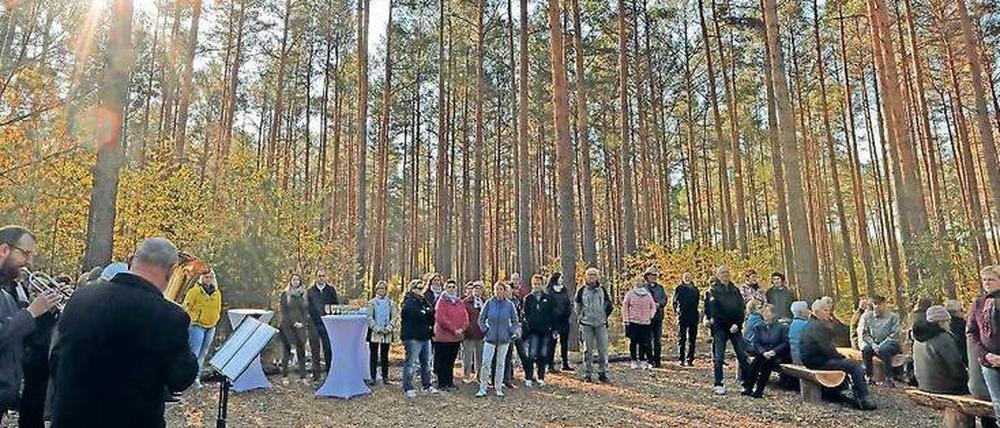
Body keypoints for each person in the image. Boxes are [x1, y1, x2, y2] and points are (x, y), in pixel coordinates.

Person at [51, 237, 198, 427]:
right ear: (171, 270)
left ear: (132, 260)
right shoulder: (170, 316)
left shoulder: (81, 297)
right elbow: (180, 378)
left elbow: (55, 358)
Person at [0, 226, 59, 425]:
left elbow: (20, 339)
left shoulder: (7, 295)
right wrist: (31, 312)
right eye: (25, 253)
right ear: (4, 250)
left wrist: (45, 316)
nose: (29, 262)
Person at [800, 298, 876, 410]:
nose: (828, 313)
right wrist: (841, 357)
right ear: (817, 312)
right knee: (854, 366)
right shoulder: (817, 326)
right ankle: (863, 398)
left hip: (812, 359)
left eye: (828, 310)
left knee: (847, 363)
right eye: (825, 310)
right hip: (817, 362)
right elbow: (827, 349)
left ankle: (843, 392)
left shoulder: (812, 323)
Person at [704, 265, 749, 395]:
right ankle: (718, 383)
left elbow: (741, 309)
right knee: (718, 357)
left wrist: (737, 324)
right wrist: (712, 322)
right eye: (722, 272)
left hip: (735, 328)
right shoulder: (712, 291)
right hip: (720, 329)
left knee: (742, 355)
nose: (725, 274)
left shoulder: (735, 290)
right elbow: (713, 312)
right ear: (718, 275)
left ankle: (747, 383)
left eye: (727, 272)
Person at [476, 281, 521, 398]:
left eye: (501, 289)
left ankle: (498, 387)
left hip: (504, 339)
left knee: (500, 364)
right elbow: (481, 318)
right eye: (497, 289)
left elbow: (515, 321)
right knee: (486, 363)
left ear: (505, 291)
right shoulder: (489, 303)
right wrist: (485, 330)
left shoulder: (509, 305)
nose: (499, 292)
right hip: (490, 338)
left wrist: (510, 332)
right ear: (494, 290)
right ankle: (483, 388)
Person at [913, 305, 968, 394]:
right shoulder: (943, 338)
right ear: (940, 322)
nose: (950, 323)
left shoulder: (918, 338)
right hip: (944, 387)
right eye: (947, 320)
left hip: (923, 384)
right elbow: (955, 366)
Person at [181, 269, 221, 388]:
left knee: (203, 353)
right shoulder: (195, 291)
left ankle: (196, 378)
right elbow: (186, 306)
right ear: (201, 278)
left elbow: (218, 308)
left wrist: (216, 318)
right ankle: (188, 379)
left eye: (210, 277)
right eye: (206, 277)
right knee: (194, 353)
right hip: (197, 325)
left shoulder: (217, 293)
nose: (208, 279)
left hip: (211, 326)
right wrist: (193, 318)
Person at [400, 279, 438, 398]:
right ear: (412, 289)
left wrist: (425, 312)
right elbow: (415, 315)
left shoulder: (423, 300)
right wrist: (425, 313)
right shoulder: (409, 301)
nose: (422, 290)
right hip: (412, 337)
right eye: (419, 288)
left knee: (426, 363)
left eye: (423, 288)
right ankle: (408, 387)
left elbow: (431, 312)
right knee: (411, 363)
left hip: (425, 336)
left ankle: (426, 385)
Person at [743, 304, 788, 397]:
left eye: (767, 312)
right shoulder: (759, 326)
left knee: (767, 363)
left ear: (773, 314)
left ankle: (759, 390)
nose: (765, 314)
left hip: (776, 353)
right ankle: (749, 387)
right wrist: (763, 352)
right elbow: (756, 342)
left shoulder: (781, 327)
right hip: (763, 352)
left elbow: (785, 343)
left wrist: (774, 351)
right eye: (763, 312)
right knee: (756, 363)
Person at [577, 268, 613, 383]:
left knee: (603, 350)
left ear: (597, 277)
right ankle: (588, 373)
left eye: (594, 275)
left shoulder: (602, 290)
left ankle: (603, 373)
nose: (592, 277)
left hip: (600, 324)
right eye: (589, 275)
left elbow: (609, 305)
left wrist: (604, 316)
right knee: (588, 350)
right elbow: (577, 305)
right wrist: (581, 317)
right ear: (586, 277)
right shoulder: (581, 290)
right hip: (586, 324)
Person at [433, 279, 468, 391]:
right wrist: (453, 329)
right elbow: (441, 319)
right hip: (443, 337)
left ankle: (449, 382)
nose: (452, 289)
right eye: (449, 287)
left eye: (453, 287)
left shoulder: (459, 302)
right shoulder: (441, 301)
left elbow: (465, 317)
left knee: (451, 361)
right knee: (442, 361)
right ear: (445, 288)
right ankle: (442, 383)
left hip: (456, 338)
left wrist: (462, 328)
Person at [278, 273, 312, 384]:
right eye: (294, 279)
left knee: (301, 351)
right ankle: (284, 376)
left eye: (298, 279)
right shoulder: (285, 294)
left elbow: (305, 311)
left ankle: (303, 377)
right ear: (290, 281)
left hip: (300, 326)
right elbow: (284, 311)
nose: (296, 281)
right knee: (287, 351)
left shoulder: (304, 294)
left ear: (300, 281)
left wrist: (302, 322)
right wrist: (294, 323)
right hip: (287, 326)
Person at [861, 295, 901, 385]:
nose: (877, 307)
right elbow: (865, 334)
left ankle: (888, 377)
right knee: (866, 350)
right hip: (875, 343)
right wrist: (873, 345)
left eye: (879, 304)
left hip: (891, 342)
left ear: (884, 305)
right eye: (875, 304)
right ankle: (868, 376)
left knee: (884, 349)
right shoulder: (867, 317)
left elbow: (895, 334)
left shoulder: (893, 317)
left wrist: (882, 344)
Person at [522, 274, 553, 386]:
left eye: (538, 284)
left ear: (542, 285)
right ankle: (529, 377)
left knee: (543, 354)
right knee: (532, 353)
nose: (536, 286)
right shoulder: (528, 298)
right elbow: (525, 314)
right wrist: (528, 326)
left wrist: (551, 328)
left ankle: (541, 377)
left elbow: (552, 314)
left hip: (545, 331)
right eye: (534, 284)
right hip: (533, 331)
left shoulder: (548, 298)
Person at [306, 269, 339, 375]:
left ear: (326, 277)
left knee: (328, 348)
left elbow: (336, 306)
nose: (321, 278)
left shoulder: (331, 290)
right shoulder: (310, 291)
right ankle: (316, 374)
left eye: (323, 276)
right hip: (314, 324)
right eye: (319, 276)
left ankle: (330, 372)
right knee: (315, 349)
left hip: (328, 325)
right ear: (315, 277)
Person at [367, 280, 397, 385]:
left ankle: (385, 377)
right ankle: (373, 377)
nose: (381, 290)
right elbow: (369, 317)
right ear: (376, 290)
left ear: (386, 290)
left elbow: (394, 317)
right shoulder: (371, 303)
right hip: (375, 332)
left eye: (383, 288)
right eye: (379, 288)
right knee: (373, 355)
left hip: (387, 332)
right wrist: (376, 327)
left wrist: (389, 327)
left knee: (385, 355)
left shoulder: (391, 303)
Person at [622, 279, 656, 370]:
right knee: (633, 342)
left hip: (645, 322)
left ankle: (642, 360)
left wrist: (650, 315)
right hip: (633, 322)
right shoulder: (630, 294)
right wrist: (626, 319)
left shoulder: (648, 295)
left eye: (641, 282)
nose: (639, 283)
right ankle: (633, 360)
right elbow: (625, 306)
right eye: (637, 282)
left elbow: (653, 306)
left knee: (643, 342)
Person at [546, 272, 574, 372]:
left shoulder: (564, 290)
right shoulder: (550, 291)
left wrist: (567, 313)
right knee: (552, 343)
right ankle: (550, 364)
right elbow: (549, 306)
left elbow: (568, 303)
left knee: (564, 343)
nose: (561, 279)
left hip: (565, 321)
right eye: (560, 277)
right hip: (554, 322)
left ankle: (565, 363)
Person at [642, 266, 668, 367]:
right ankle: (649, 360)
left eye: (655, 275)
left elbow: (665, 299)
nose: (653, 277)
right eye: (652, 275)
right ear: (647, 276)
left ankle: (657, 360)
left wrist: (659, 304)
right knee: (647, 339)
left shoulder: (660, 288)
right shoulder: (643, 288)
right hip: (646, 317)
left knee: (657, 340)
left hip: (658, 316)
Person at [462, 281, 486, 383]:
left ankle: (479, 376)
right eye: (475, 288)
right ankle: (466, 376)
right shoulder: (466, 302)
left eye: (479, 289)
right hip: (469, 334)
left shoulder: (484, 302)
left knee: (480, 357)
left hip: (481, 334)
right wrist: (466, 329)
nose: (477, 290)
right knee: (467, 356)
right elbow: (462, 317)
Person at [673, 272, 699, 366]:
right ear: (683, 278)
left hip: (693, 316)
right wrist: (677, 312)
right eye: (685, 277)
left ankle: (690, 359)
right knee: (681, 338)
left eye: (689, 277)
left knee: (692, 339)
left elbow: (697, 302)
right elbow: (674, 302)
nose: (687, 278)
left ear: (692, 278)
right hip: (682, 316)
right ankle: (681, 358)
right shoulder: (679, 288)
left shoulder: (695, 290)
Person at [945, 299, 968, 364]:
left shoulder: (945, 324)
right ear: (955, 312)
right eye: (961, 310)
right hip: (963, 355)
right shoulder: (961, 324)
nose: (963, 312)